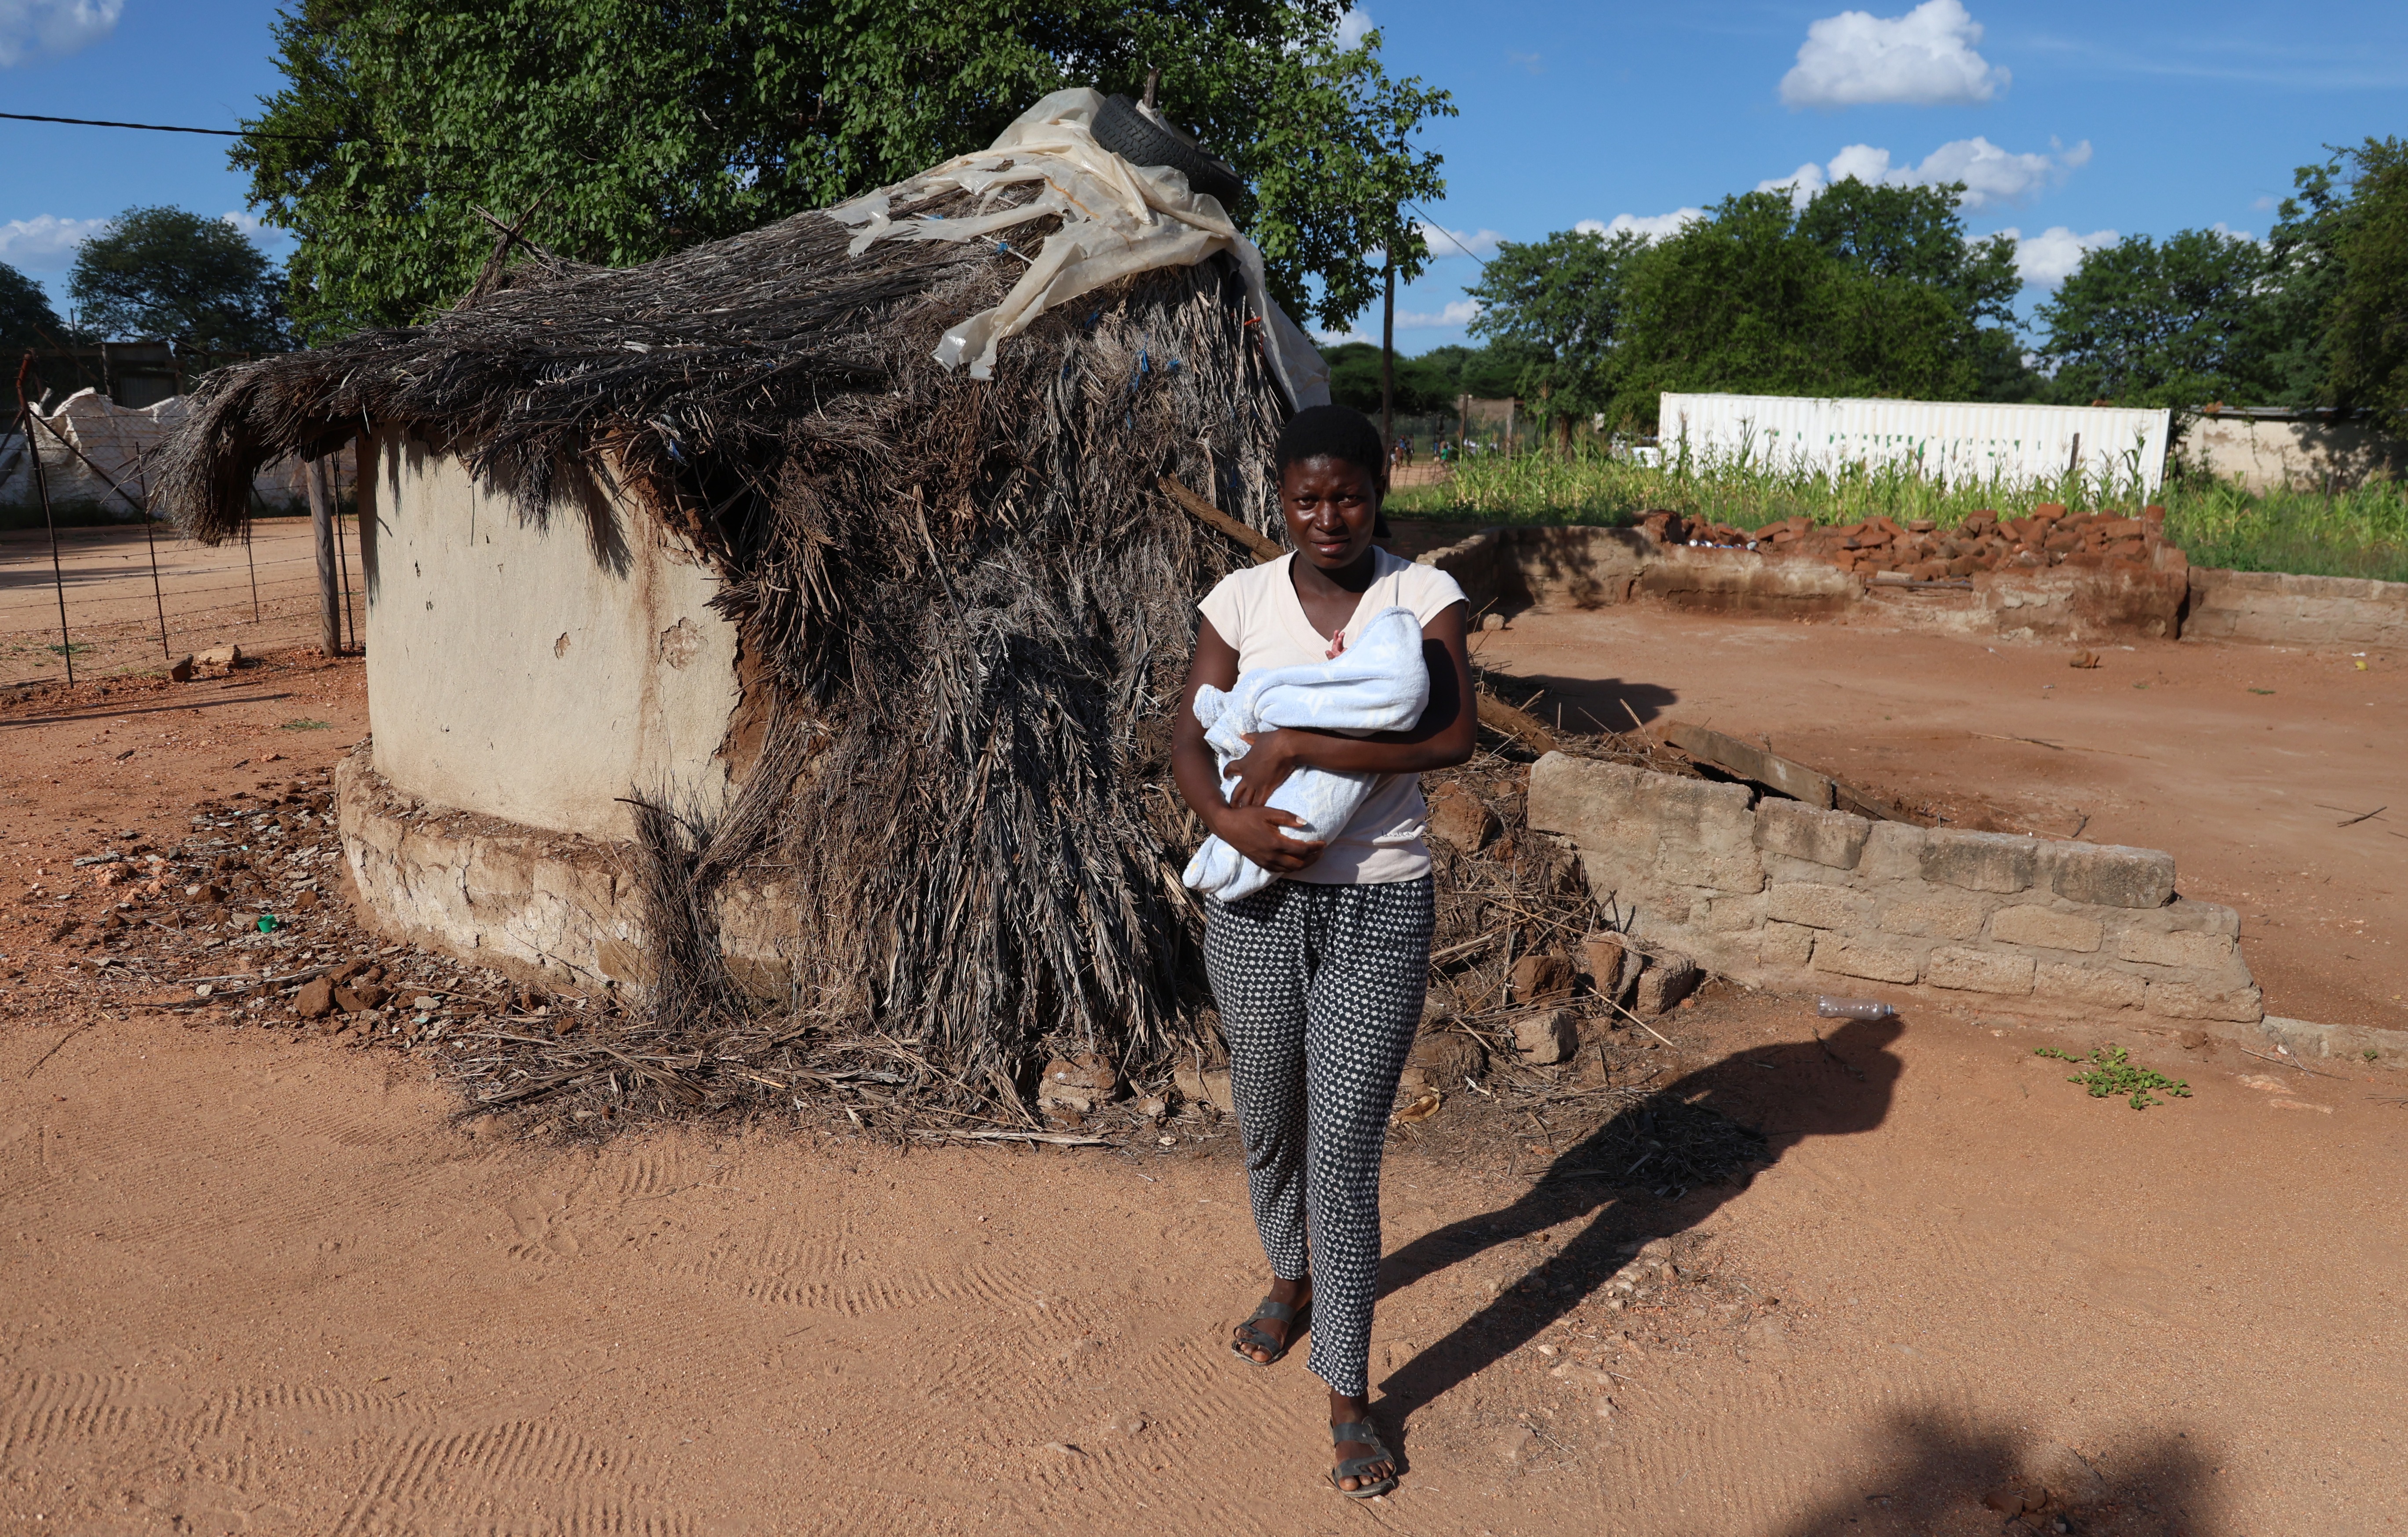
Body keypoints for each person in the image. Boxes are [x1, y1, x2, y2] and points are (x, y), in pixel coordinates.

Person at [1171, 403, 1475, 1499]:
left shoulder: (1420, 594)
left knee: (1343, 1148)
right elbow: (1183, 729)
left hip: (1379, 902)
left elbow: (1451, 734)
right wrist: (1228, 823)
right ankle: (1289, 1276)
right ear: (1281, 497)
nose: (1328, 516)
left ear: (1378, 487)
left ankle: (1350, 1394)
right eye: (1307, 499)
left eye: (1347, 494)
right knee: (1268, 1111)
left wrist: (1299, 741)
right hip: (1254, 905)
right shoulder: (1243, 597)